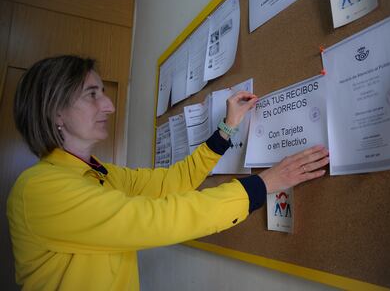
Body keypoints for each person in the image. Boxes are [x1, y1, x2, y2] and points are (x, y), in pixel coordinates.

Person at [7, 55, 329, 291]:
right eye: (92, 94)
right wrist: (261, 185)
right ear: (54, 110)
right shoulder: (38, 189)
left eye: (102, 92)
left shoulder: (103, 176)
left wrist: (226, 129)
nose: (109, 105)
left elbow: (170, 183)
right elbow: (156, 219)